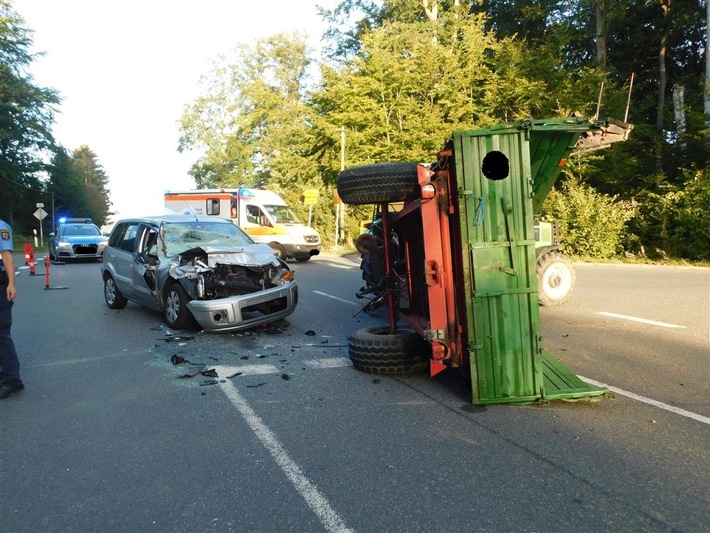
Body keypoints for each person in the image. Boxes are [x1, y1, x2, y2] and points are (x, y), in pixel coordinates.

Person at [0, 218, 23, 399]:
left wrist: (11, 284)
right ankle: (5, 374)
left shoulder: (1, 227)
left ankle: (12, 380)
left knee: (1, 331)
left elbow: (6, 255)